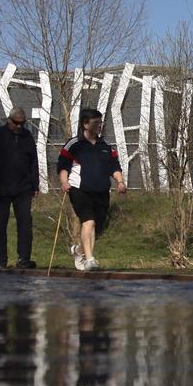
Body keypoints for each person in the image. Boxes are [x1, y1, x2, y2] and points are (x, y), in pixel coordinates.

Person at [57, 108, 126, 271]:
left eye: (101, 123)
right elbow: (62, 166)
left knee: (96, 226)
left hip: (102, 190)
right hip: (79, 189)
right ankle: (89, 259)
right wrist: (64, 182)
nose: (100, 126)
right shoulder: (73, 144)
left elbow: (114, 167)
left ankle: (79, 251)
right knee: (89, 221)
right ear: (85, 124)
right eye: (96, 123)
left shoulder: (106, 146)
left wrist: (120, 181)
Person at [0, 107, 39, 269]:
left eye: (23, 123)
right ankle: (1, 260)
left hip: (23, 187)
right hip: (1, 187)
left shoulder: (27, 137)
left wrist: (35, 184)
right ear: (9, 120)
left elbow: (33, 161)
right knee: (0, 224)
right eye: (16, 123)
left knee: (25, 223)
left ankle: (24, 259)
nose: (19, 126)